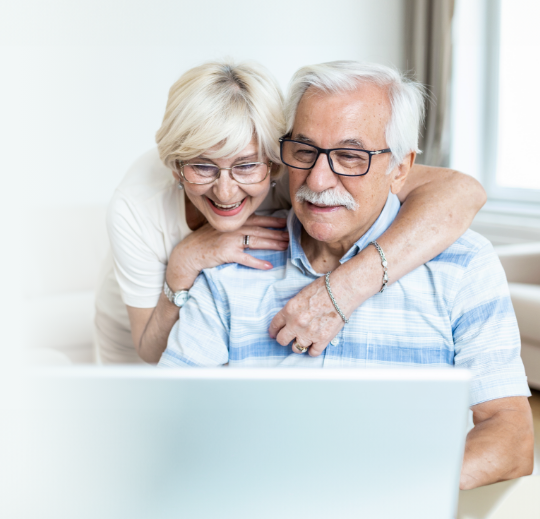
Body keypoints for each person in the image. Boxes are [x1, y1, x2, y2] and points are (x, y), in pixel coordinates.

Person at [158, 61, 533, 490]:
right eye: (304, 151)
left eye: (350, 157)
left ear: (401, 168)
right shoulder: (231, 265)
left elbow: (512, 437)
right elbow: (167, 420)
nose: (318, 179)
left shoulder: (464, 266)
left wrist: (379, 494)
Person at [94, 61, 487, 364]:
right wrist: (184, 262)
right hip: (141, 335)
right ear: (176, 164)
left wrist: (345, 288)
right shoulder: (136, 205)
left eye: (246, 166)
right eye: (202, 167)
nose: (226, 191)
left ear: (274, 159)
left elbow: (462, 191)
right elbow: (148, 349)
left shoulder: (301, 169)